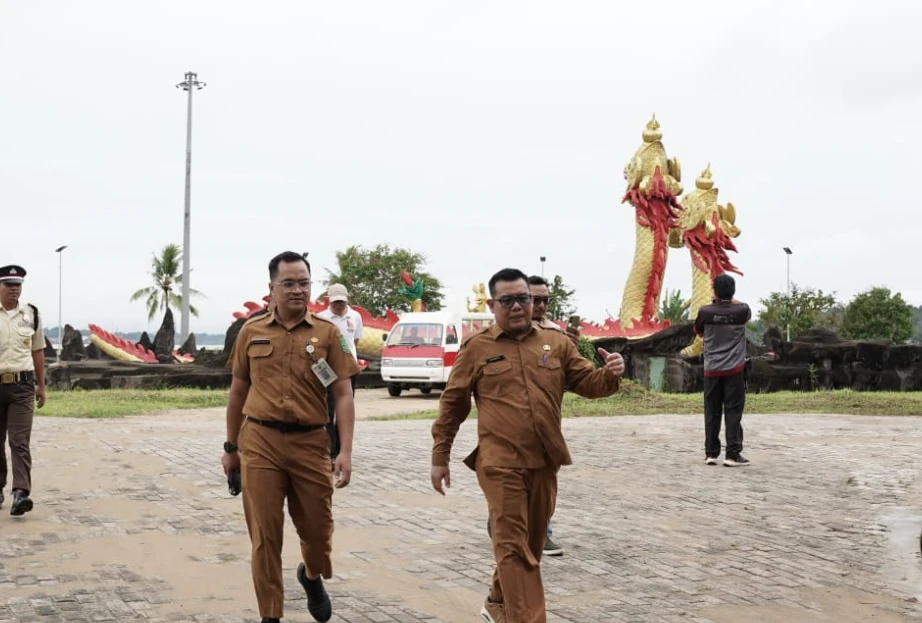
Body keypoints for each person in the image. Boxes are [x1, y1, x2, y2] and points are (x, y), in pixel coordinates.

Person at [430, 267, 625, 623]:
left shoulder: (556, 342)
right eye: (508, 300)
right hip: (499, 463)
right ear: (492, 304)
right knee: (515, 551)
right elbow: (453, 403)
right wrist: (439, 456)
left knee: (530, 547)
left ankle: (496, 603)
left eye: (524, 298)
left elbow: (587, 382)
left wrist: (610, 374)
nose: (518, 306)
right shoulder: (477, 348)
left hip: (544, 462)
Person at [222, 251, 360, 623]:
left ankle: (311, 575)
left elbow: (343, 393)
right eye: (289, 283)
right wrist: (231, 448)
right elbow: (237, 392)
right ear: (272, 288)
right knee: (265, 535)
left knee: (318, 532)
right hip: (260, 442)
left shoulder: (329, 333)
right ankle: (270, 615)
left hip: (311, 442)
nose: (298, 290)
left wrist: (344, 450)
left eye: (304, 283)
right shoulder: (251, 332)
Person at [485, 275, 579, 557]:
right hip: (504, 441)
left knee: (541, 492)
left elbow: (580, 379)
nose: (537, 306)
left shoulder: (557, 338)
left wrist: (609, 374)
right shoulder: (490, 340)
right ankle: (508, 527)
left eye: (542, 301)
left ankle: (539, 531)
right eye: (533, 299)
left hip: (545, 436)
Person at [0, 265, 46, 516]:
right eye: (8, 285)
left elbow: (37, 351)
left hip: (22, 386)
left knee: (19, 441)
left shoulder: (31, 315)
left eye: (17, 285)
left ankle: (20, 493)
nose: (14, 289)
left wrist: (42, 385)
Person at [693, 273, 752, 467]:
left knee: (712, 411)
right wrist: (729, 300)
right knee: (733, 411)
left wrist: (716, 302)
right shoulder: (742, 310)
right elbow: (743, 311)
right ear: (733, 291)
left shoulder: (705, 312)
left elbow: (699, 331)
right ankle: (733, 454)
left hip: (712, 369)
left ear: (714, 291)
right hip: (735, 369)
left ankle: (711, 453)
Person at [316, 283, 363, 465]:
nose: (339, 306)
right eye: (335, 303)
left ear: (347, 299)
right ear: (329, 301)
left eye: (341, 302)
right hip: (327, 369)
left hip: (349, 369)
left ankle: (339, 450)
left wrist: (347, 361)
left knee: (345, 409)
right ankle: (328, 449)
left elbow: (355, 340)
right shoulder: (322, 318)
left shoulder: (355, 316)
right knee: (328, 410)